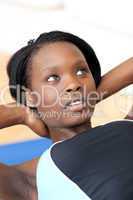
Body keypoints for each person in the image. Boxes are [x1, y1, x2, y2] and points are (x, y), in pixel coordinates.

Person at [0, 31, 133, 200]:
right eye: (52, 78)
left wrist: (92, 94)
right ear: (29, 96)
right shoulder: (28, 181)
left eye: (81, 72)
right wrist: (22, 112)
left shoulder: (127, 126)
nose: (73, 84)